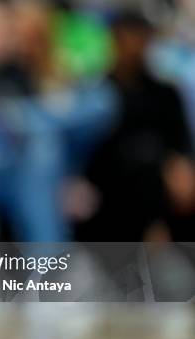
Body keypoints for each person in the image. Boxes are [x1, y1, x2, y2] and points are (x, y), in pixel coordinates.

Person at [83, 12, 195, 241]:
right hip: (115, 184)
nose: (134, 49)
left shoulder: (165, 93)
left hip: (164, 178)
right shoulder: (97, 95)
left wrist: (180, 166)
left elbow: (178, 140)